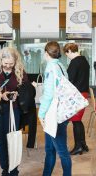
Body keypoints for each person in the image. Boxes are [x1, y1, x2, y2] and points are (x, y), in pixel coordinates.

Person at [0, 47, 29, 176]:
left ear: (15, 62)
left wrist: (17, 93)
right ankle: (5, 169)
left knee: (12, 140)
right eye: (5, 63)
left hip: (14, 110)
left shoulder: (20, 72)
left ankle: (13, 170)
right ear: (0, 60)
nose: (8, 66)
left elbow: (26, 89)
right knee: (1, 141)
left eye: (11, 64)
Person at [39, 41, 71, 176]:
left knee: (61, 151)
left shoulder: (50, 68)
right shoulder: (61, 66)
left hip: (53, 115)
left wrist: (41, 113)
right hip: (61, 112)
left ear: (46, 53)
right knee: (50, 148)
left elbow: (48, 94)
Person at [63, 43, 90, 155]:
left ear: (69, 50)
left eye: (66, 54)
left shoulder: (75, 62)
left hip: (76, 94)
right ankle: (83, 144)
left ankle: (78, 146)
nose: (67, 56)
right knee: (78, 121)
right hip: (83, 93)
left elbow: (69, 80)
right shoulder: (84, 60)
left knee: (75, 121)